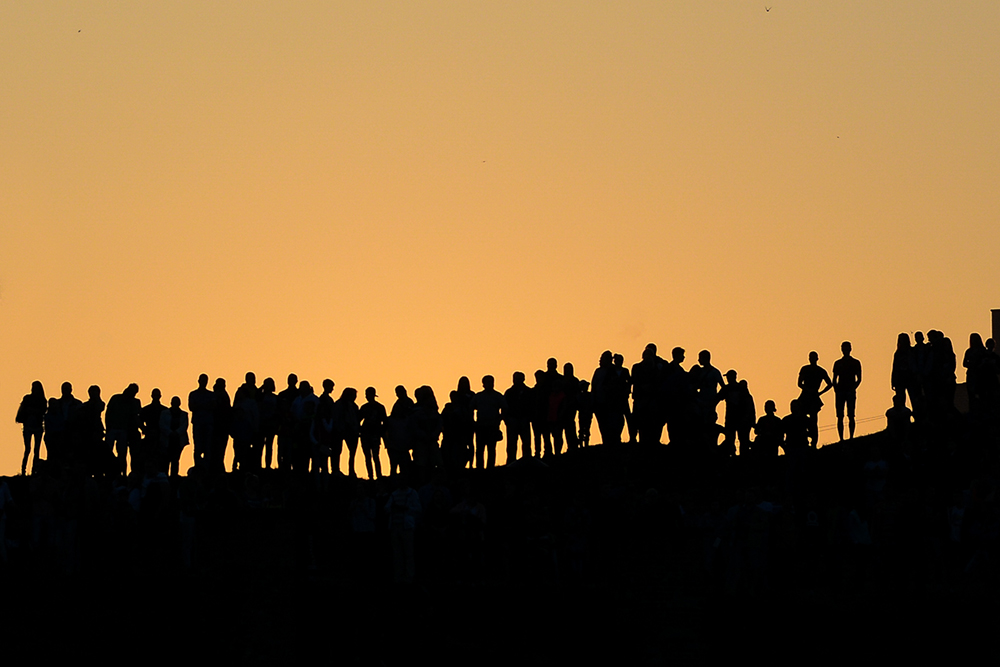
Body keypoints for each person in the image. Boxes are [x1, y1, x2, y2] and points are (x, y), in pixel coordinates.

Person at [797, 352, 832, 448]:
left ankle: (813, 444)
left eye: (813, 357)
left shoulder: (820, 371)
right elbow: (799, 383)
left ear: (817, 358)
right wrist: (813, 391)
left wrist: (819, 393)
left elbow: (830, 384)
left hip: (812, 397)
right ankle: (805, 442)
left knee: (813, 421)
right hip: (806, 396)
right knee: (802, 420)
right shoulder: (806, 369)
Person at [832, 341, 862, 441]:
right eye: (843, 348)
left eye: (847, 348)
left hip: (849, 391)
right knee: (840, 416)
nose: (845, 350)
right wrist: (836, 390)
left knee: (851, 415)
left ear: (850, 349)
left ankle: (851, 437)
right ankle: (841, 438)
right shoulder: (837, 363)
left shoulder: (855, 362)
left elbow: (859, 378)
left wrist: (853, 388)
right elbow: (834, 379)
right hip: (841, 391)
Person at [15, 381, 47, 475]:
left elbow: (41, 411)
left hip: (36, 427)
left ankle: (33, 471)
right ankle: (24, 470)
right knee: (28, 449)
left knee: (35, 449)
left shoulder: (41, 400)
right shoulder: (29, 398)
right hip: (29, 427)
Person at [160, 396, 189, 479]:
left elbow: (184, 426)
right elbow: (162, 425)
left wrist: (176, 433)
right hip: (167, 440)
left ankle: (174, 476)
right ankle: (165, 476)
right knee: (166, 460)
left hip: (178, 440)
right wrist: (170, 433)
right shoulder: (164, 413)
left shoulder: (184, 414)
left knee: (175, 460)